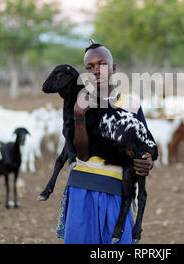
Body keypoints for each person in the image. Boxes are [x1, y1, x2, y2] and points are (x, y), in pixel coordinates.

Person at [56, 41, 156, 244]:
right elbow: (82, 154)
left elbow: (146, 146)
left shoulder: (130, 105)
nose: (95, 71)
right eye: (89, 67)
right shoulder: (79, 103)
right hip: (82, 191)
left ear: (114, 68)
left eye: (102, 64)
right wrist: (79, 116)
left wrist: (147, 162)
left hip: (117, 193)